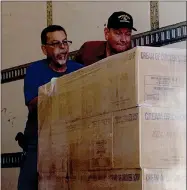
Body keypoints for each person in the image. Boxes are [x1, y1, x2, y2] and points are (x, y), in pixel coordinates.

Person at [17, 25, 83, 190]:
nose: (62, 48)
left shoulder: (79, 71)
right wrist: (57, 92)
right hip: (37, 143)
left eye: (65, 42)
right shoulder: (35, 70)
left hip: (70, 142)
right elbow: (32, 104)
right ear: (44, 49)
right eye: (55, 44)